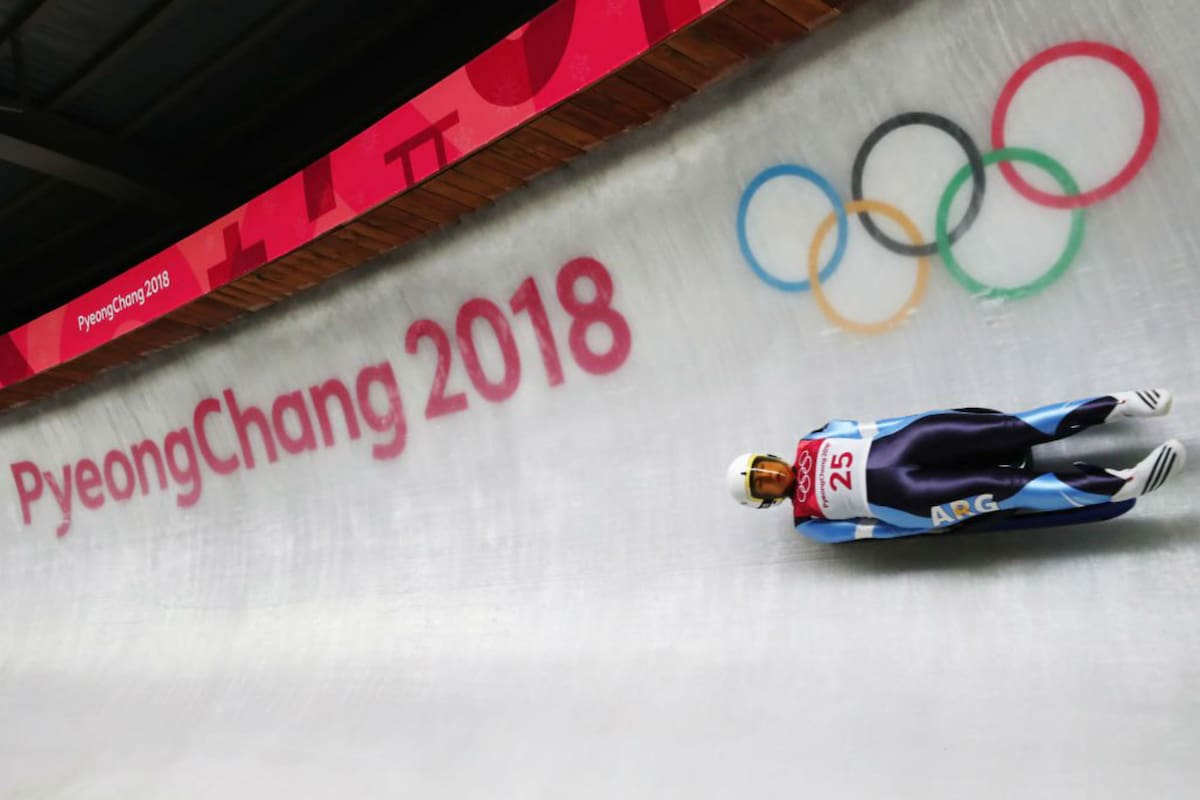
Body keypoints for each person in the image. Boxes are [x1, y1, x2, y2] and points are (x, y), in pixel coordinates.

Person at [726, 390, 1185, 542]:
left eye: (764, 468)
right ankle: (1122, 483)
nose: (772, 477)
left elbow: (873, 428)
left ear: (772, 457)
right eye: (764, 486)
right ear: (767, 501)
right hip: (906, 499)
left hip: (909, 444)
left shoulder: (812, 440)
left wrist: (927, 419)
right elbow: (872, 532)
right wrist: (936, 526)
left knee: (1012, 427)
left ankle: (1119, 404)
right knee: (1009, 486)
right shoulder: (808, 521)